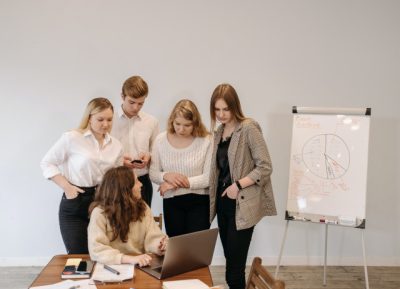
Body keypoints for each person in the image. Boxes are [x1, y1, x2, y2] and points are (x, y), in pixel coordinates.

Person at [208, 84, 277, 289]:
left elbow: (265, 166)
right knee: (232, 260)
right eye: (217, 109)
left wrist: (238, 185)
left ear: (234, 106)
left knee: (233, 271)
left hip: (241, 204)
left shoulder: (248, 128)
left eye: (225, 109)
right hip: (223, 205)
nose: (221, 114)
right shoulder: (219, 132)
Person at [40, 97, 123, 254]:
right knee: (78, 256)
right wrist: (67, 188)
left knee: (102, 254)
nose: (105, 124)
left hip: (103, 203)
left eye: (109, 120)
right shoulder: (72, 138)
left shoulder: (117, 146)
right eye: (100, 119)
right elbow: (47, 163)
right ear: (89, 118)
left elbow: (117, 177)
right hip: (75, 202)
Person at [150, 99, 212, 237]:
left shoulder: (207, 140)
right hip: (171, 203)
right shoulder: (160, 140)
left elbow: (208, 178)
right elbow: (153, 174)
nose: (181, 129)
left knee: (197, 251)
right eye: (177, 124)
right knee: (176, 250)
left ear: (195, 123)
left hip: (200, 202)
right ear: (172, 120)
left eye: (187, 125)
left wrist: (173, 184)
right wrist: (166, 176)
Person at [88, 166, 167, 266]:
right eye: (136, 181)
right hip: (110, 268)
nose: (141, 184)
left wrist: (160, 245)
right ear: (125, 189)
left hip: (140, 265)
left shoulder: (143, 207)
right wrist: (129, 259)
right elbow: (97, 250)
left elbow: (153, 238)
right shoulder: (99, 213)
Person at [111, 75, 159, 207]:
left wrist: (149, 156)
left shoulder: (152, 122)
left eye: (141, 103)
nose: (136, 107)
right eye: (131, 102)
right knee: (116, 225)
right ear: (122, 96)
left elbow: (155, 151)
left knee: (143, 225)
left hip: (142, 182)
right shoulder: (109, 120)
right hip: (115, 180)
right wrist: (120, 161)